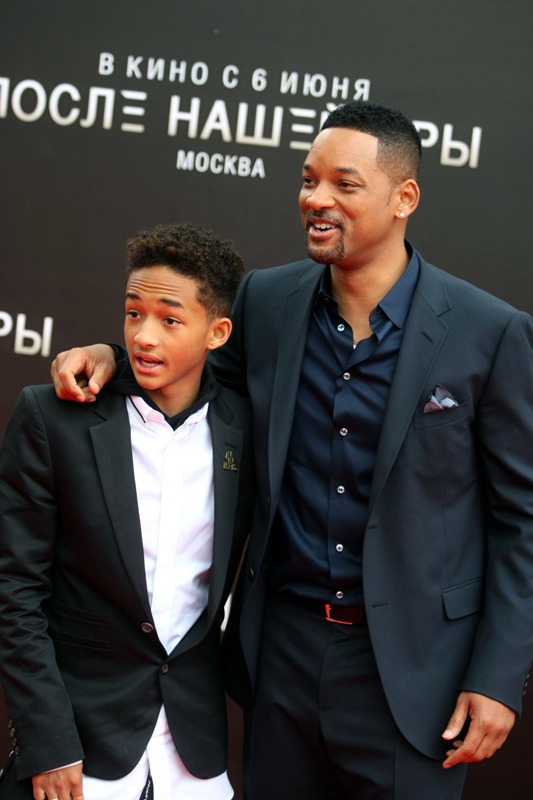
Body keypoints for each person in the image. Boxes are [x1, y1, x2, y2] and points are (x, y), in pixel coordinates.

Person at [49, 101, 533, 800]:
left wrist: (497, 677)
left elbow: (521, 520)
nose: (316, 199)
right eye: (308, 180)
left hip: (415, 673)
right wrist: (108, 356)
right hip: (281, 657)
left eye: (343, 184)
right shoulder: (265, 301)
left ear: (404, 198)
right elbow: (194, 376)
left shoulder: (489, 332)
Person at [0, 222, 255, 800]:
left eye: (170, 320)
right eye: (133, 313)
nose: (144, 336)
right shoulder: (53, 419)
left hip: (194, 753)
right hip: (80, 746)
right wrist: (47, 740)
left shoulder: (245, 430)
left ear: (217, 332)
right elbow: (15, 590)